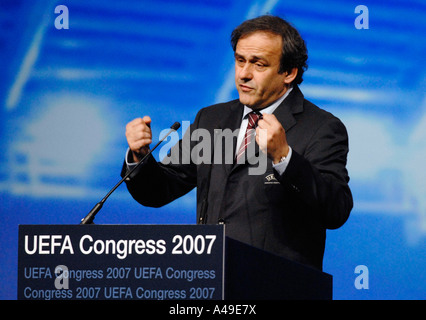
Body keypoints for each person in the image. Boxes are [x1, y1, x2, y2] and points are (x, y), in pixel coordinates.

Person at [121, 15, 353, 270]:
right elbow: (158, 190)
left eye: (258, 64)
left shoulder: (322, 127)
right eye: (240, 60)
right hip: (210, 280)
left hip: (277, 286)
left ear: (288, 72)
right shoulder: (211, 119)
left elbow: (336, 210)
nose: (244, 74)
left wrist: (284, 157)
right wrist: (140, 156)